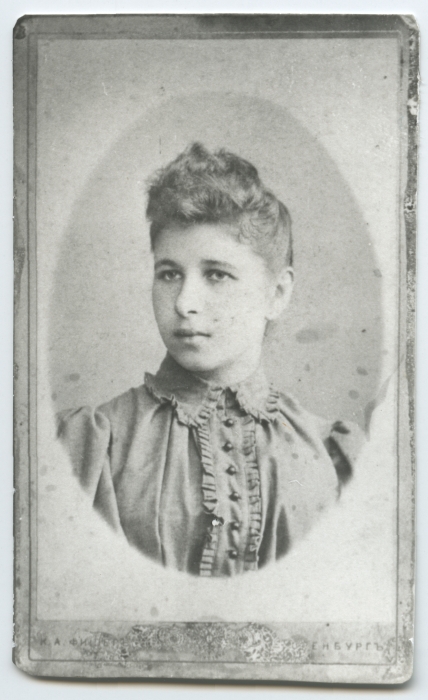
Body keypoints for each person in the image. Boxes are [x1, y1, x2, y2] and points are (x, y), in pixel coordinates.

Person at [57, 142, 363, 577]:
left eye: (216, 274)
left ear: (277, 294)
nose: (184, 302)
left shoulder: (331, 456)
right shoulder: (94, 447)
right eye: (169, 274)